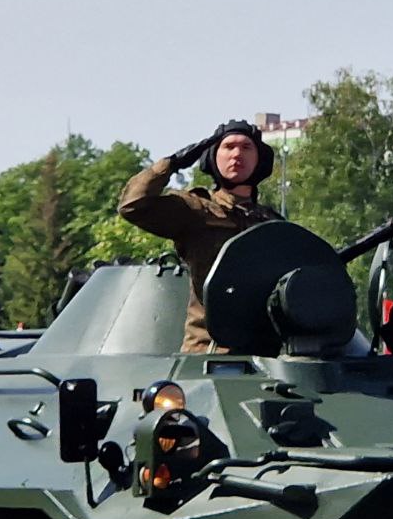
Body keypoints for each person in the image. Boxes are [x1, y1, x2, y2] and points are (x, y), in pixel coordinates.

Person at [118, 119, 281, 352]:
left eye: (246, 147)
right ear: (214, 156)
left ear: (259, 159)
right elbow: (133, 206)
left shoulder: (272, 222)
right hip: (209, 350)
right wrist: (171, 164)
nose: (237, 154)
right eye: (229, 147)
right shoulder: (195, 209)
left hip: (267, 353)